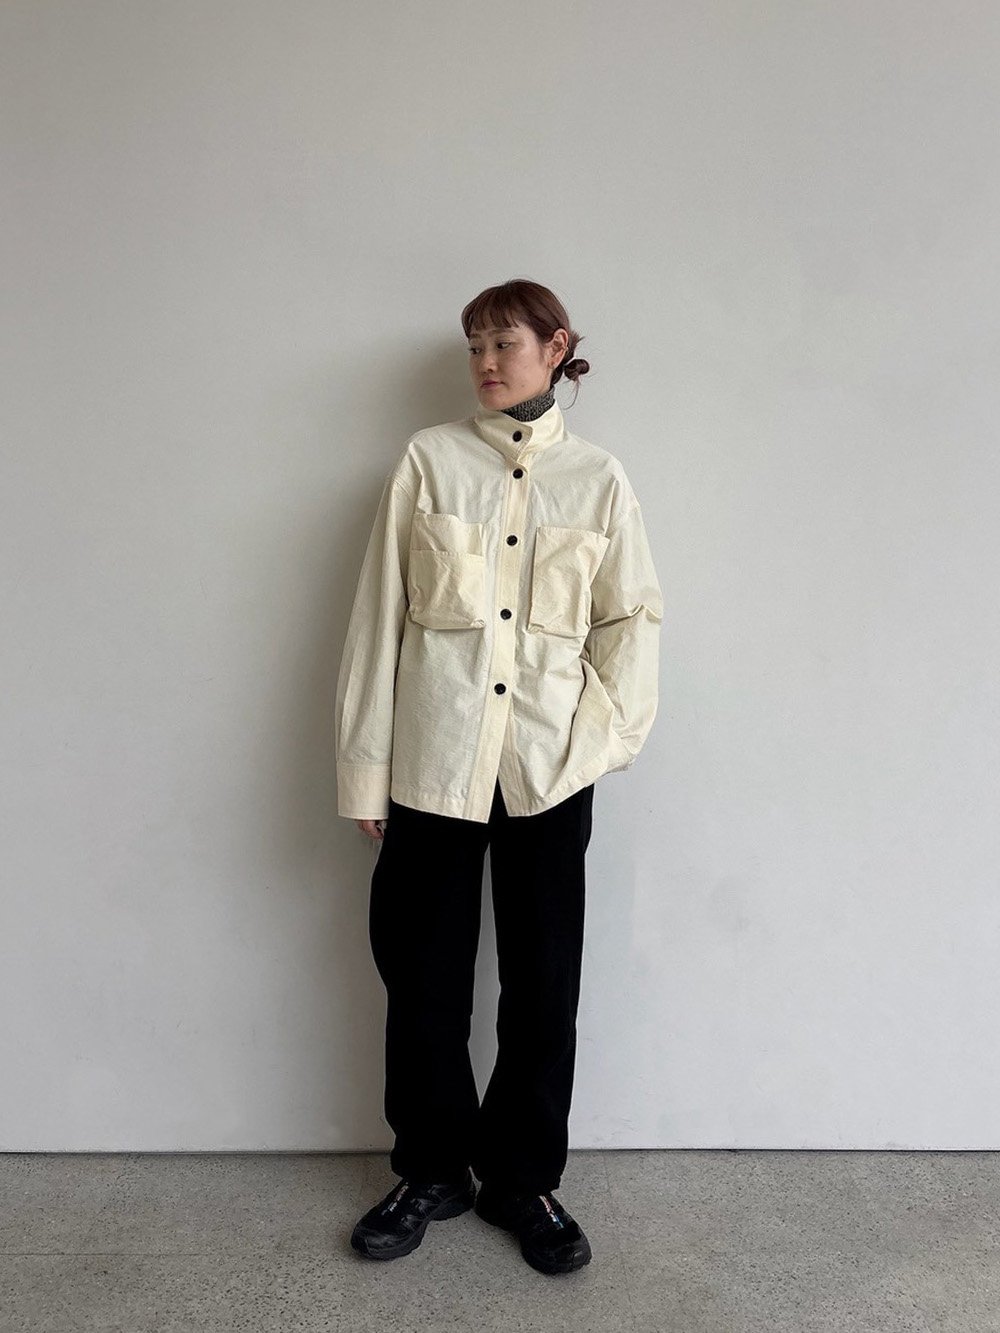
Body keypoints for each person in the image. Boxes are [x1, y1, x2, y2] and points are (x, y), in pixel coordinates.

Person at [334, 278, 663, 1275]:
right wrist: (366, 772)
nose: (484, 361)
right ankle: (431, 1170)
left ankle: (523, 1180)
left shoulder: (598, 480)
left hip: (548, 773)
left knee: (542, 986)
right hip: (433, 767)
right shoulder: (428, 463)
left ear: (556, 347)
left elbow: (632, 621)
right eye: (474, 344)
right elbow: (378, 619)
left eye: (504, 342)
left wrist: (593, 744)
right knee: (422, 982)